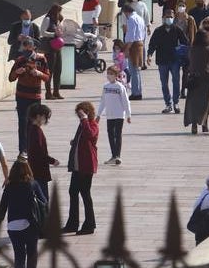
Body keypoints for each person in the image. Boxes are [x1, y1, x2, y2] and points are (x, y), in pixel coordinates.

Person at [0, 158, 47, 268]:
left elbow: (2, 209)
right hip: (31, 224)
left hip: (13, 226)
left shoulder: (9, 187)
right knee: (32, 254)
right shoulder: (33, 185)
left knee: (19, 256)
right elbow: (44, 202)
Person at [8, 36, 50, 152]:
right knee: (22, 123)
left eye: (29, 48)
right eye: (25, 47)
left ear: (34, 47)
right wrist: (17, 72)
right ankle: (23, 150)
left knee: (35, 124)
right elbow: (11, 78)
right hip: (22, 95)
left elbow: (47, 77)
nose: (27, 50)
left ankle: (34, 149)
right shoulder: (20, 60)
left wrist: (39, 73)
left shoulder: (41, 59)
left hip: (35, 96)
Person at [63, 101, 99, 235]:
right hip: (78, 166)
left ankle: (90, 224)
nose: (79, 117)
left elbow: (90, 135)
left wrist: (84, 119)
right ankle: (72, 223)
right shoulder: (82, 124)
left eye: (81, 114)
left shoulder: (92, 124)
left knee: (85, 194)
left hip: (86, 166)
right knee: (73, 191)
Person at [147, 11, 188, 114]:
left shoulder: (177, 29)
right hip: (162, 61)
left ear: (173, 18)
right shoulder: (158, 31)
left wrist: (183, 53)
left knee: (176, 82)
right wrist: (149, 55)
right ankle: (168, 104)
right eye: (167, 17)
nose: (168, 19)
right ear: (163, 18)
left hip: (175, 60)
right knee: (164, 83)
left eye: (170, 17)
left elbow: (185, 42)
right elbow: (152, 44)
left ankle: (176, 103)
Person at [96, 64, 132, 163]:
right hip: (109, 115)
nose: (109, 76)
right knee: (110, 135)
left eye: (111, 74)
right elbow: (103, 101)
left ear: (116, 75)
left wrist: (128, 115)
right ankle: (113, 156)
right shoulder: (106, 87)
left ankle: (117, 156)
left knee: (118, 134)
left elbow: (125, 101)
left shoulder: (120, 87)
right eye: (108, 73)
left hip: (119, 115)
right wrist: (98, 115)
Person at [25, 103, 57, 212]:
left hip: (36, 170)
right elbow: (39, 152)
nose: (46, 120)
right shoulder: (36, 131)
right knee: (43, 201)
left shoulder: (33, 129)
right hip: (39, 171)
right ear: (38, 116)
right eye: (45, 117)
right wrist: (52, 160)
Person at [184, 29, 209, 135]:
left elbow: (189, 60)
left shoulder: (192, 49)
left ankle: (194, 125)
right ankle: (205, 124)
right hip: (206, 77)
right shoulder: (208, 49)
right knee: (205, 101)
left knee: (193, 102)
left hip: (193, 77)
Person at [40, 3, 65, 100]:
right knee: (49, 70)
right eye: (58, 12)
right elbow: (42, 32)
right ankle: (48, 93)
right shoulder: (47, 19)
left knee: (58, 70)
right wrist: (53, 34)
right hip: (50, 48)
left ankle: (56, 91)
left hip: (57, 47)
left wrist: (60, 32)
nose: (59, 14)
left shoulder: (57, 20)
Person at [122, 1, 146, 99]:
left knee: (133, 70)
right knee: (136, 70)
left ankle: (136, 93)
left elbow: (131, 36)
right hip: (140, 43)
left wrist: (127, 49)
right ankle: (138, 91)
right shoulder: (139, 18)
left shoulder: (131, 19)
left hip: (133, 45)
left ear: (125, 12)